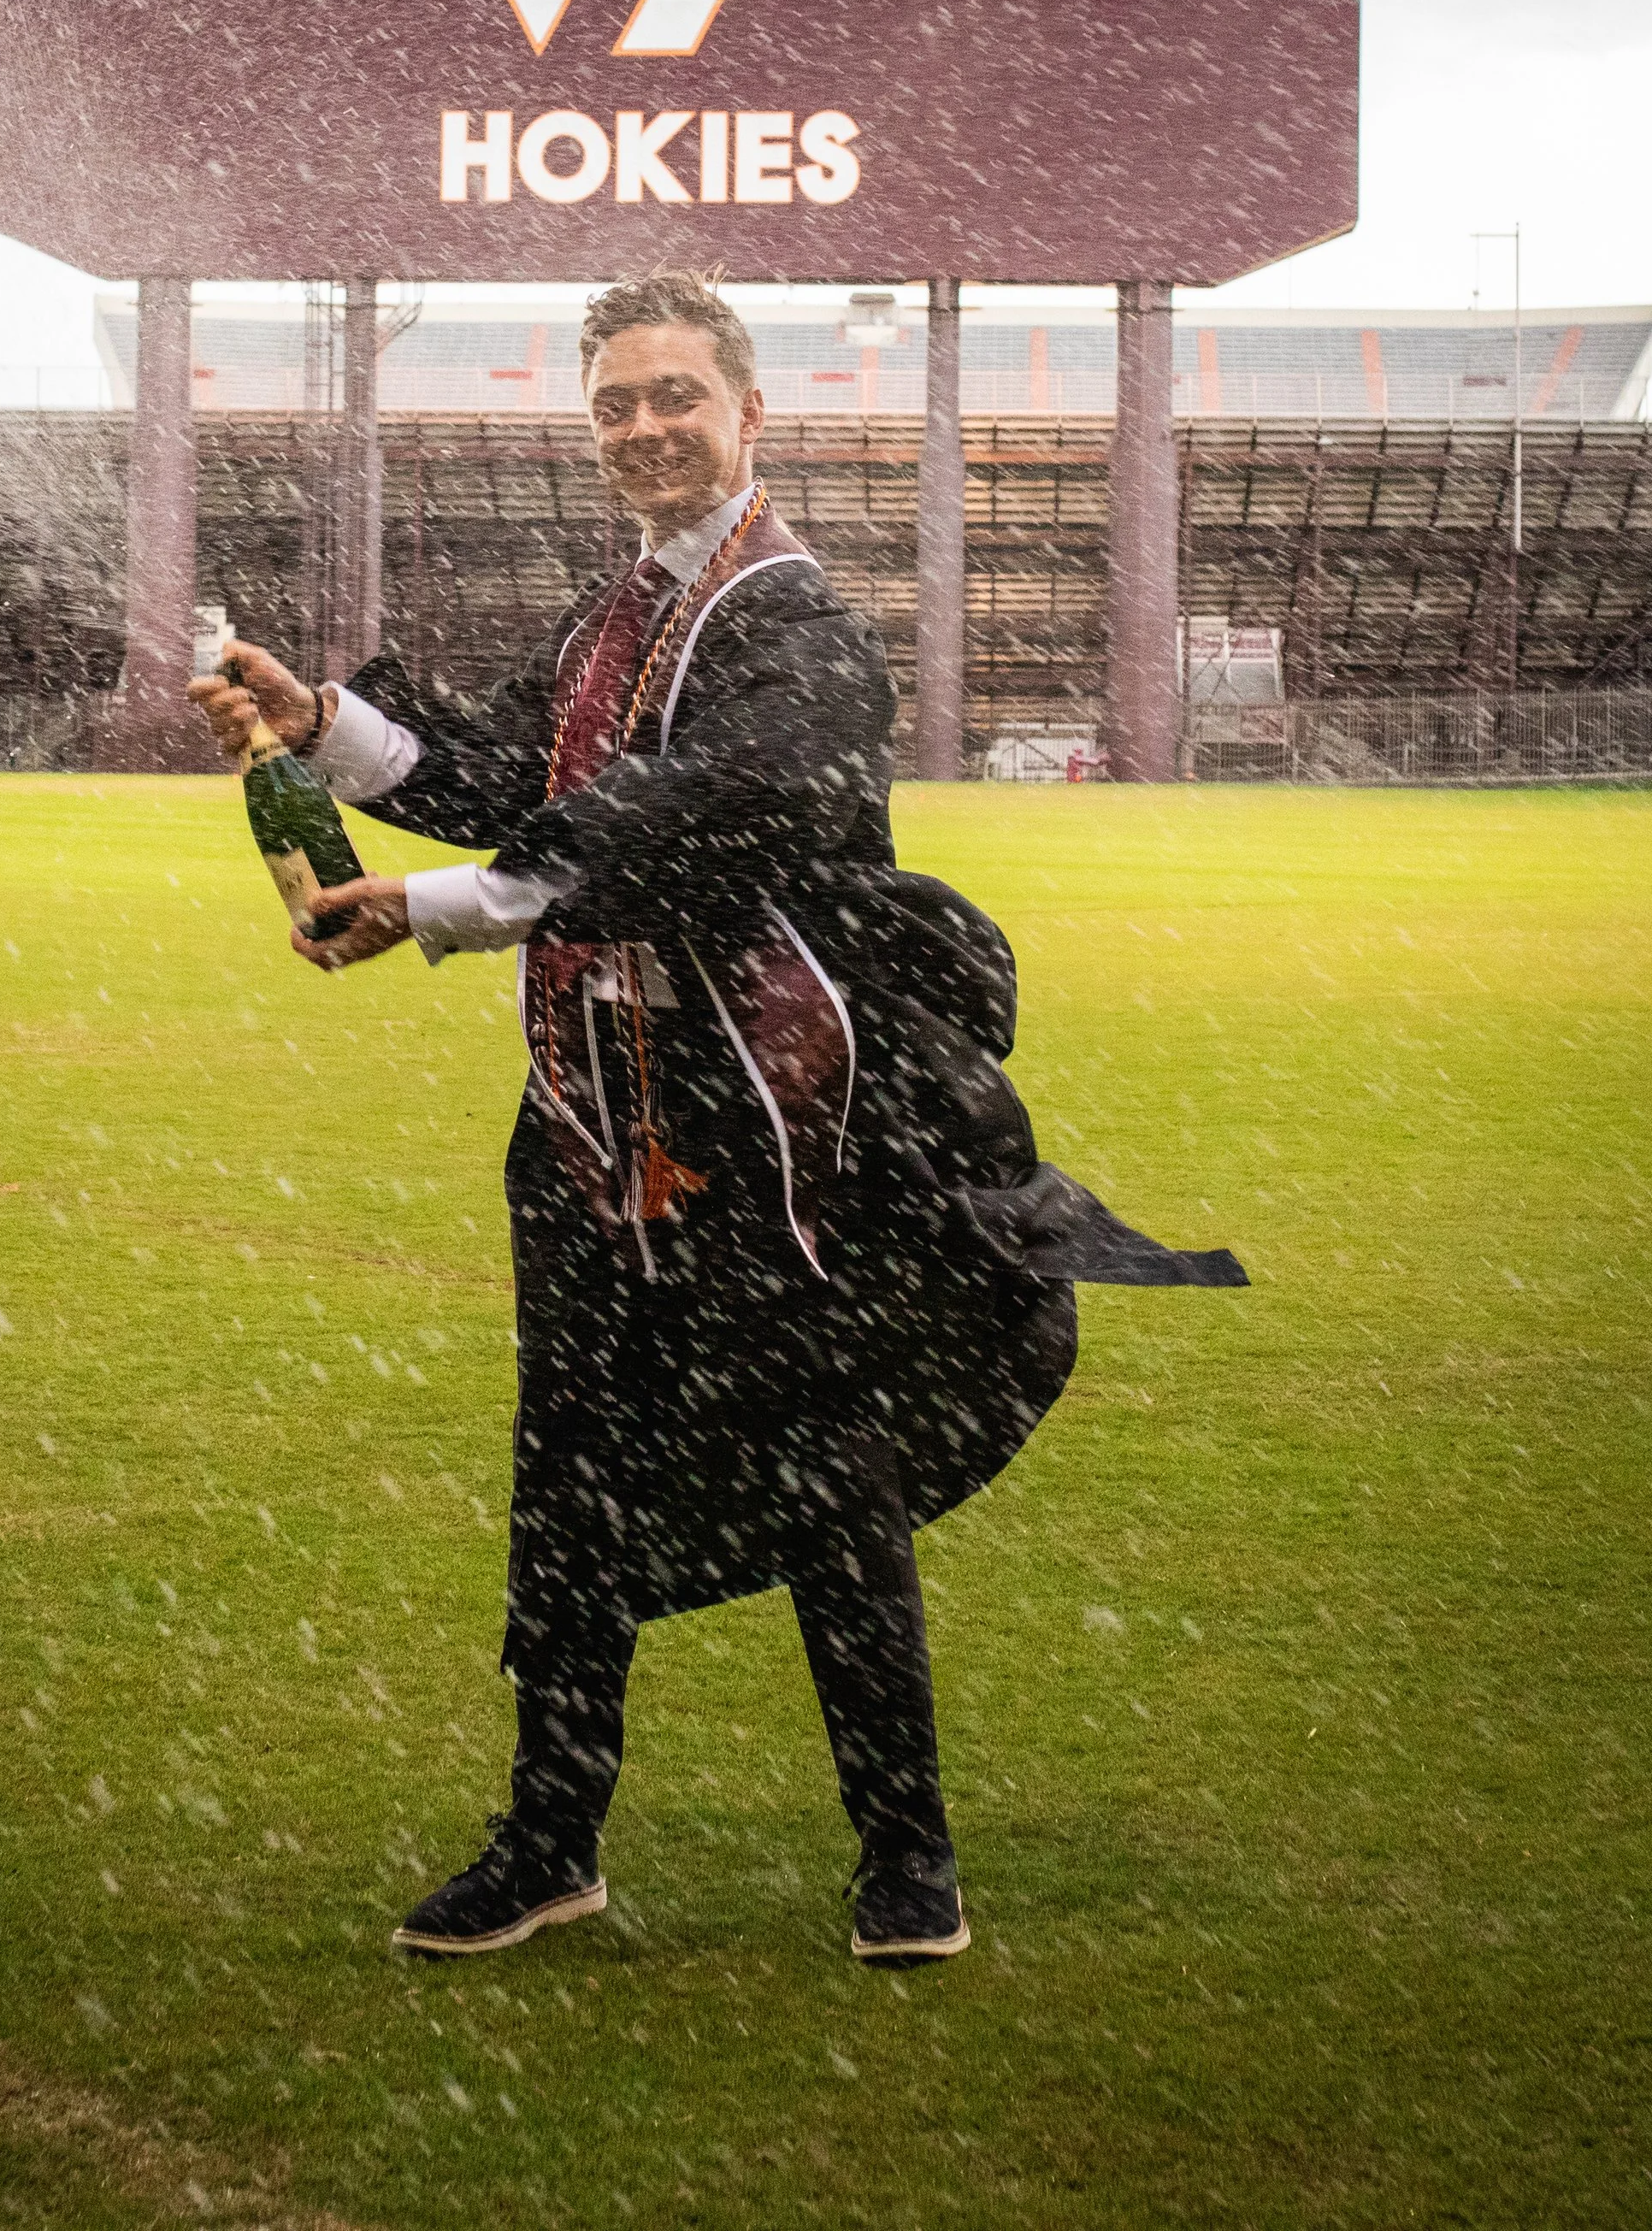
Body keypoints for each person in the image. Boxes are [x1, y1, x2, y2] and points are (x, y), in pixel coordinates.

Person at [189, 270, 1241, 1969]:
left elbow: (690, 811)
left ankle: (906, 1857)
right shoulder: (609, 620)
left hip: (775, 1131)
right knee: (574, 1479)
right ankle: (549, 1841)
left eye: (674, 396)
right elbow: (520, 784)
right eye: (613, 404)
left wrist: (450, 906)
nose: (643, 428)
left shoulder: (802, 626)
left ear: (751, 416)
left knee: (832, 1479)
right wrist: (322, 728)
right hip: (597, 1129)